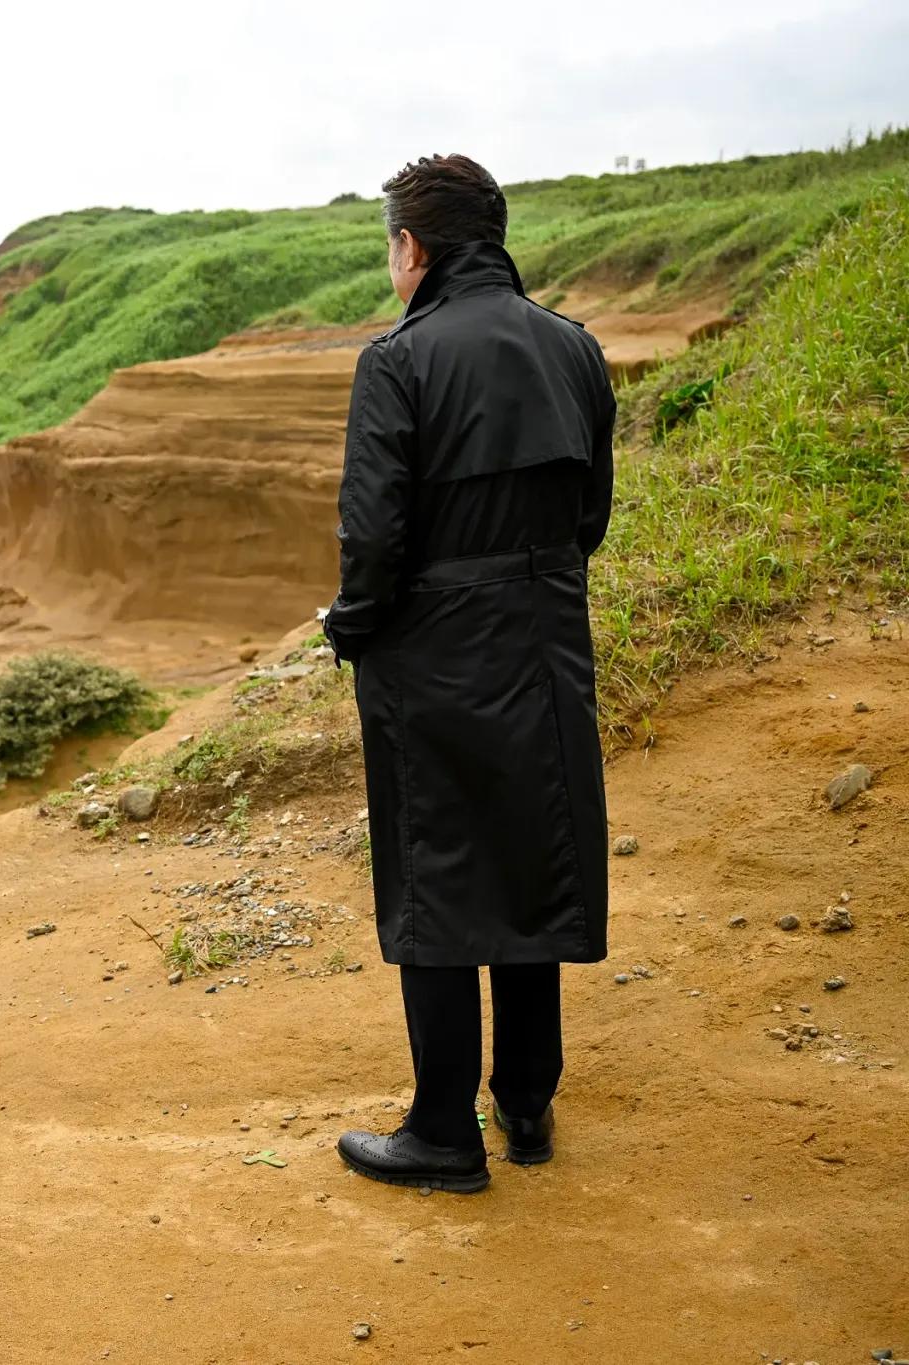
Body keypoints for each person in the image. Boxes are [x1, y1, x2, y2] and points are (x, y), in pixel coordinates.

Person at [325, 154, 615, 1193]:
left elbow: (372, 539)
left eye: (388, 248)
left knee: (437, 876)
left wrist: (353, 629)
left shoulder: (395, 361)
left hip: (429, 652)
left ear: (412, 247)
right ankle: (525, 1102)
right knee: (529, 852)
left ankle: (442, 1131)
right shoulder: (574, 349)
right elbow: (589, 517)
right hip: (543, 640)